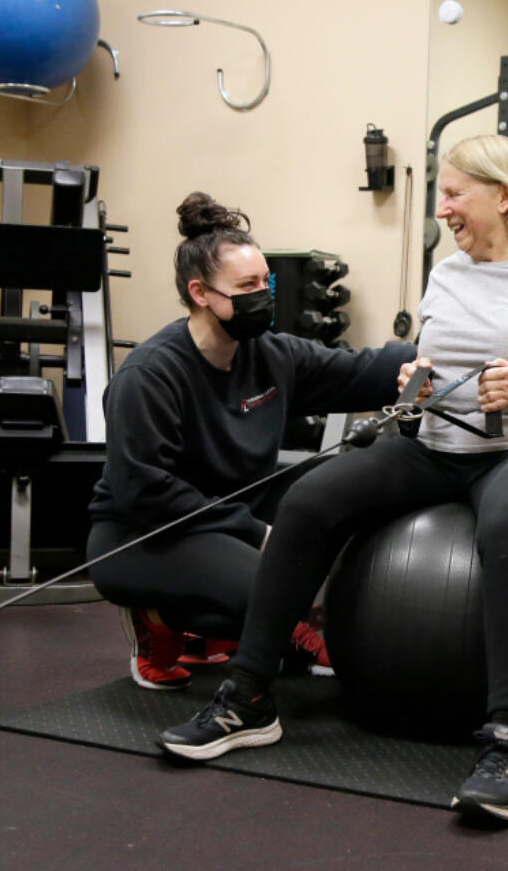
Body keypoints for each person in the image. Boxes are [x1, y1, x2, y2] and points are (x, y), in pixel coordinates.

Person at [159, 135, 508, 821]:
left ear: (502, 197)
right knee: (311, 496)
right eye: (442, 195)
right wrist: (418, 380)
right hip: (442, 445)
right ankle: (248, 694)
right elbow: (432, 364)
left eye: (453, 194)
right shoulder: (446, 274)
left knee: (507, 521)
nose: (443, 208)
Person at [86, 192, 416, 691]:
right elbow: (145, 491)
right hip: (146, 532)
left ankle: (216, 631)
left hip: (233, 507)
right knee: (271, 589)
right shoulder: (150, 376)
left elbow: (361, 370)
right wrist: (257, 533)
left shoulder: (269, 354)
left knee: (342, 487)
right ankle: (157, 617)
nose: (263, 294)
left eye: (267, 281)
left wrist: (441, 351)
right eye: (247, 285)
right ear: (201, 294)